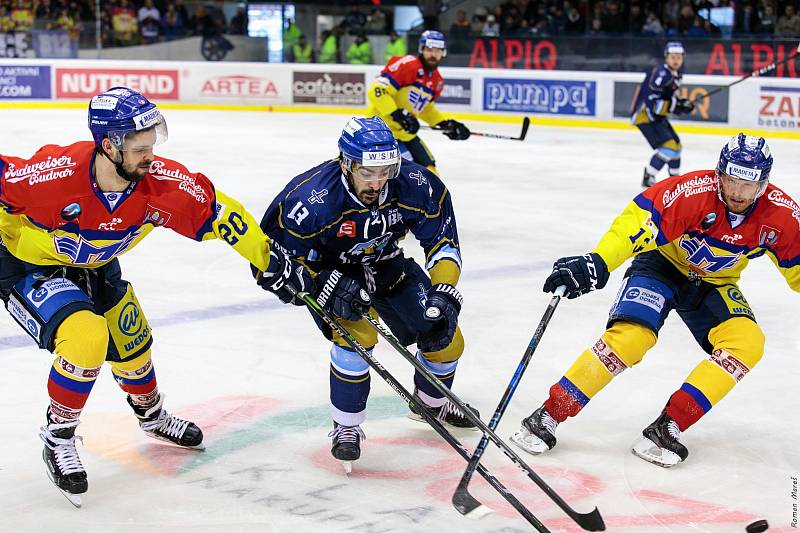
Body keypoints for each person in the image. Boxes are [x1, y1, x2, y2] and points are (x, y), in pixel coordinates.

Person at [0, 87, 305, 505]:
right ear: (108, 146)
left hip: (95, 266)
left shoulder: (159, 184)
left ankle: (151, 417)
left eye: (153, 144)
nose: (151, 156)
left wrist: (268, 260)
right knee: (88, 337)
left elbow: (221, 212)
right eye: (141, 148)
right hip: (26, 266)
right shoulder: (52, 176)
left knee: (133, 344)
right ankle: (57, 434)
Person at [511, 134, 800, 468]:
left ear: (763, 185)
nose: (736, 192)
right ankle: (549, 413)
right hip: (660, 267)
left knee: (748, 343)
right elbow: (638, 221)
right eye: (731, 180)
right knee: (633, 337)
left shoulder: (782, 217)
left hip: (715, 284)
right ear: (719, 173)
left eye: (746, 185)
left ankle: (668, 425)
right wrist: (600, 261)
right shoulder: (692, 193)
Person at [258, 117, 477, 472]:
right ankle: (346, 427)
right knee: (358, 337)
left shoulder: (417, 184)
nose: (378, 182)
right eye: (367, 172)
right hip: (331, 273)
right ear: (346, 163)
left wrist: (444, 289)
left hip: (388, 264)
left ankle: (431, 403)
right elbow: (271, 267)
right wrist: (322, 286)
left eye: (386, 170)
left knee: (444, 334)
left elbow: (441, 242)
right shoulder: (310, 200)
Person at [367, 30, 470, 173]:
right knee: (408, 176)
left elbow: (426, 108)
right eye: (429, 50)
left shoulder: (437, 81)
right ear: (422, 49)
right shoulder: (408, 65)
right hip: (381, 133)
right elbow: (377, 91)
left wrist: (445, 124)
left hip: (406, 134)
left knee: (430, 173)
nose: (433, 55)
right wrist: (398, 115)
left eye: (438, 51)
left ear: (443, 52)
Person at [631, 41, 695, 188]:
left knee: (677, 146)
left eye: (679, 57)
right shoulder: (661, 74)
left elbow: (666, 99)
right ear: (666, 57)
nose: (676, 60)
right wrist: (677, 106)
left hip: (656, 115)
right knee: (670, 147)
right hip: (645, 115)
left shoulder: (675, 74)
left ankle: (675, 181)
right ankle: (649, 176)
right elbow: (654, 104)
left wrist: (679, 104)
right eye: (673, 57)